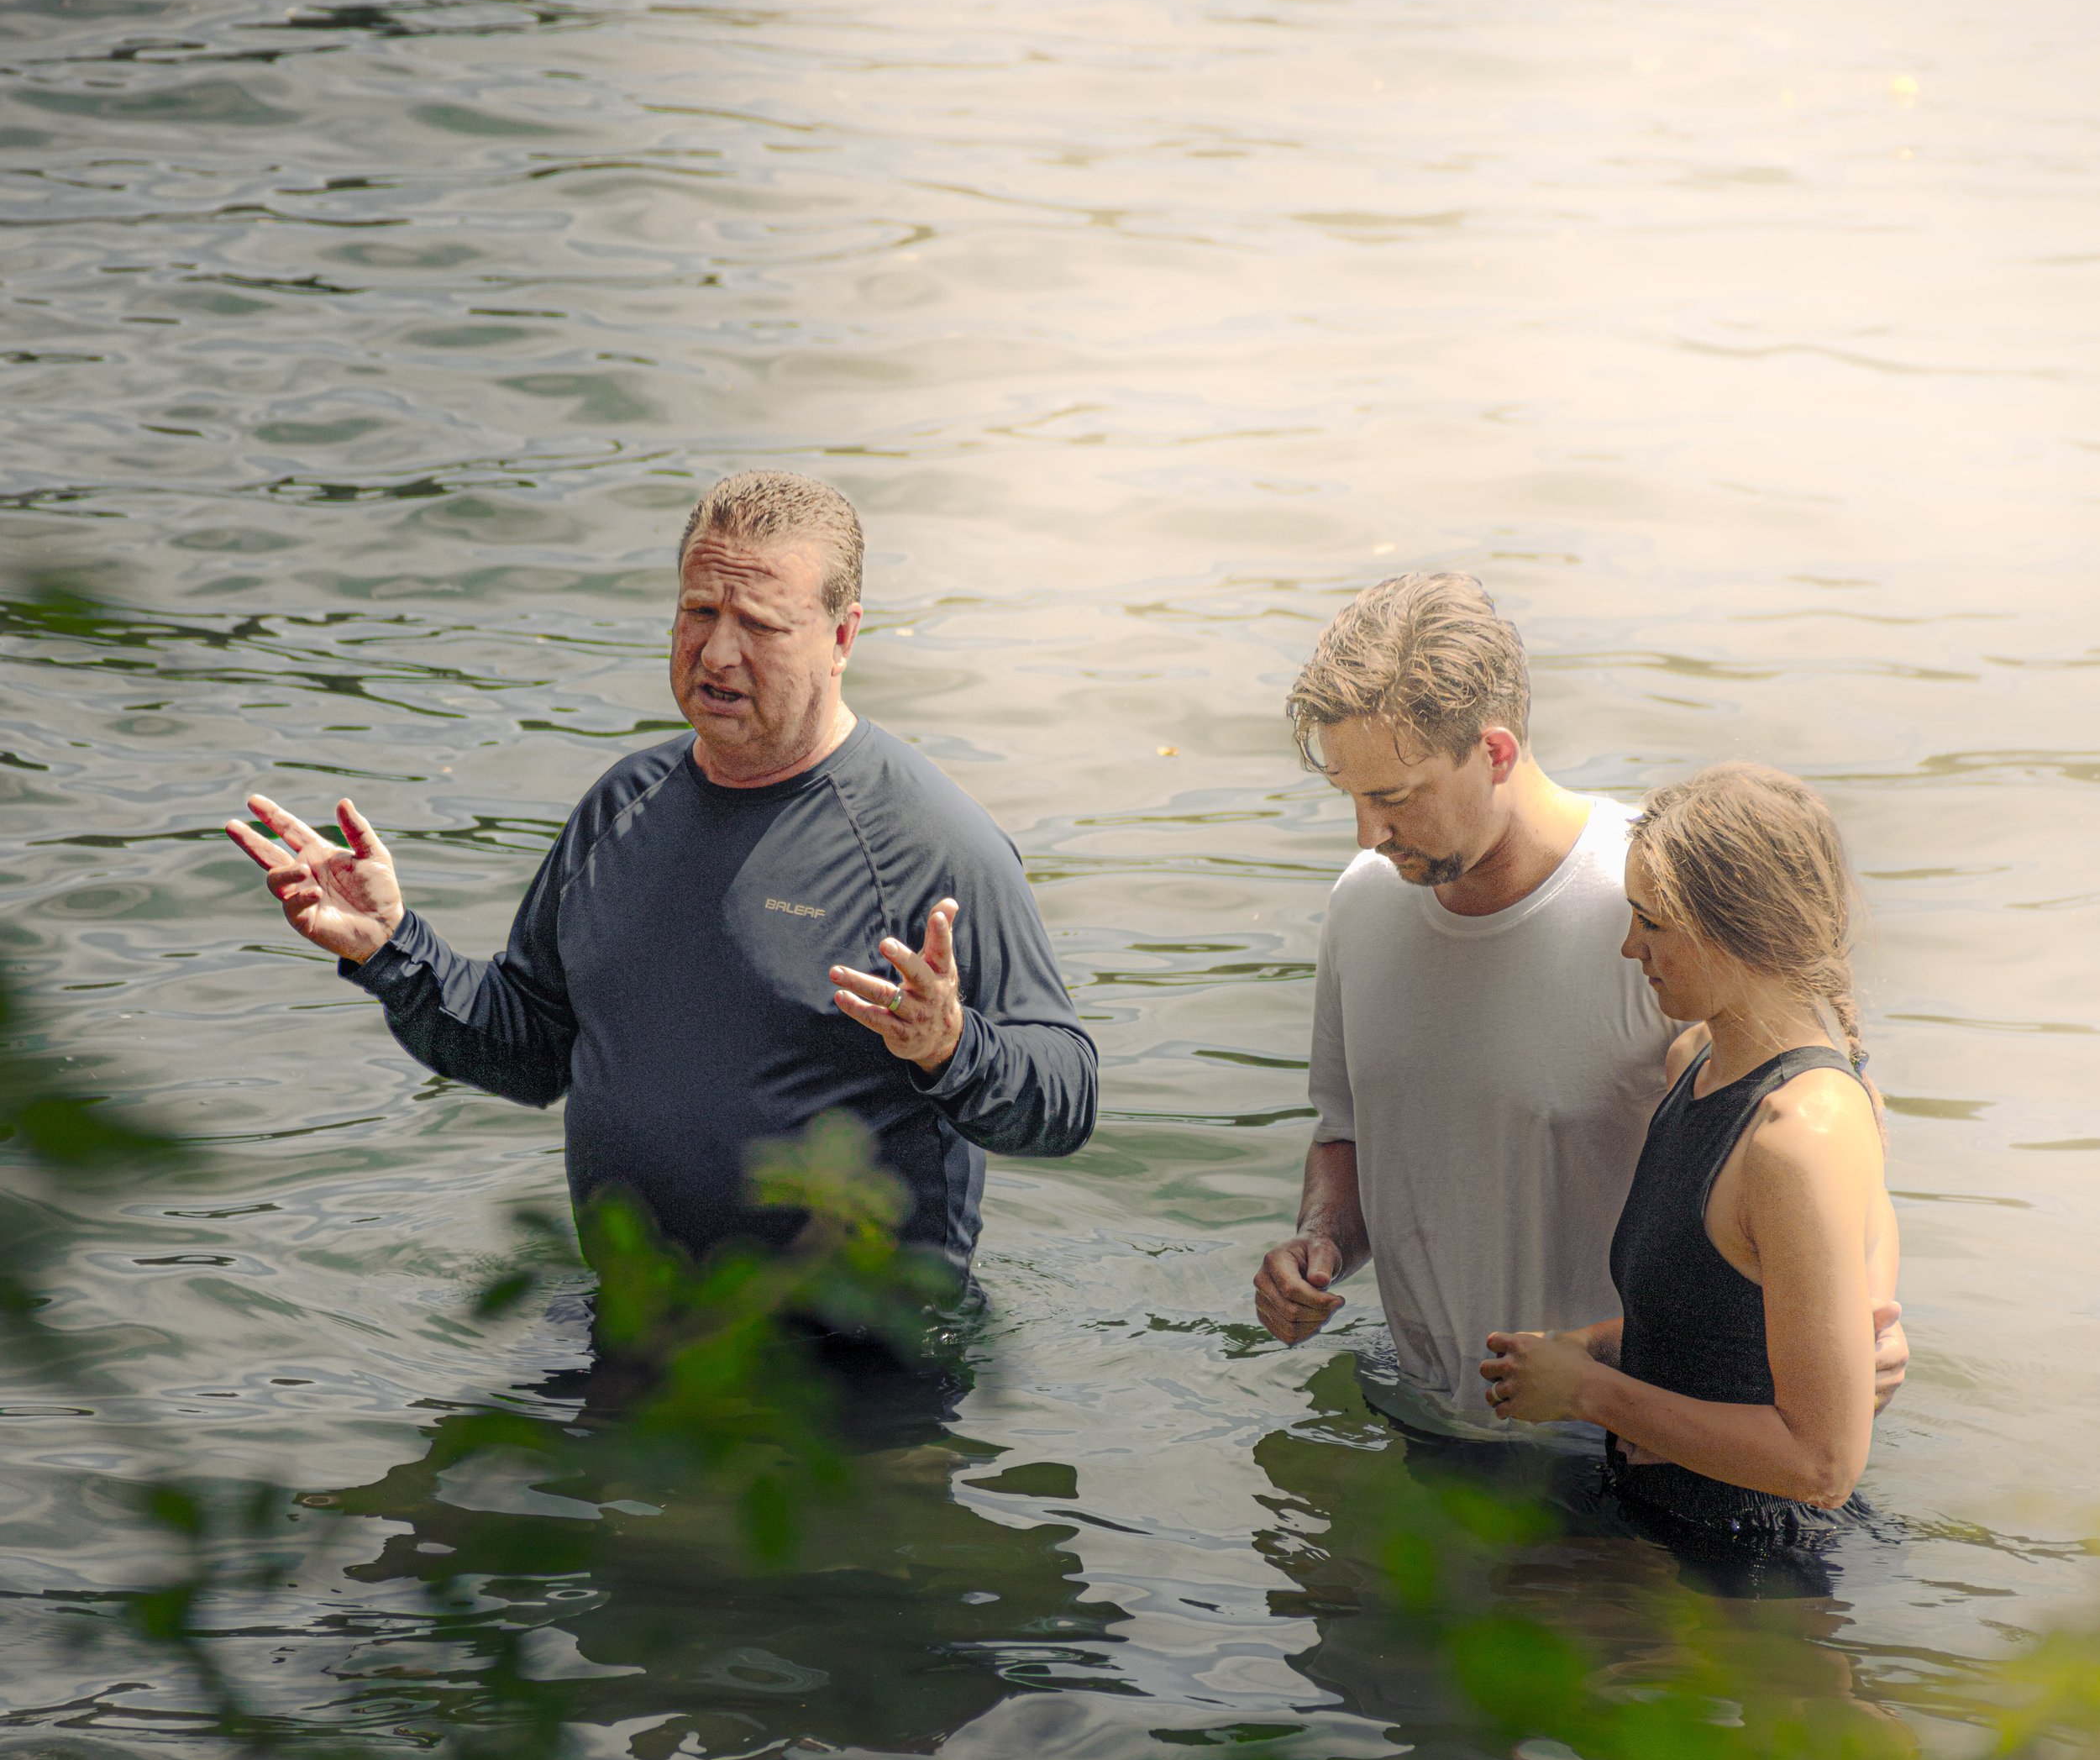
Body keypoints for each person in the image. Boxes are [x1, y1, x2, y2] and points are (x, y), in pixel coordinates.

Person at [226, 470, 1095, 1283]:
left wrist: (950, 1046)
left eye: (758, 623)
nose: (718, 652)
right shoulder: (623, 807)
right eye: (698, 611)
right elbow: (530, 1050)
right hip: (635, 1328)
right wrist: (392, 950)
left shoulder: (928, 842)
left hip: (855, 1368)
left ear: (841, 637)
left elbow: (1066, 1098)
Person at [1252, 570, 1906, 1440]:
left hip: (1624, 1448)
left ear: (1493, 752)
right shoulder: (1358, 905)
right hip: (1421, 1421)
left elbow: (1829, 1109)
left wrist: (1869, 1308)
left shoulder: (1658, 904)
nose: (1366, 834)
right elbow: (1347, 1131)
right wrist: (1320, 1241)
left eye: (1393, 798)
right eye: (1351, 796)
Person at [1481, 764, 1896, 1543]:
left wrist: (1590, 1393)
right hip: (1657, 1527)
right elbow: (1718, 1316)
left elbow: (1824, 1468)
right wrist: (1588, 1347)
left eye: (1653, 921)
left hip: (1756, 1567)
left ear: (1741, 929)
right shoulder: (1695, 1065)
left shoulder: (1800, 1135)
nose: (1630, 946)